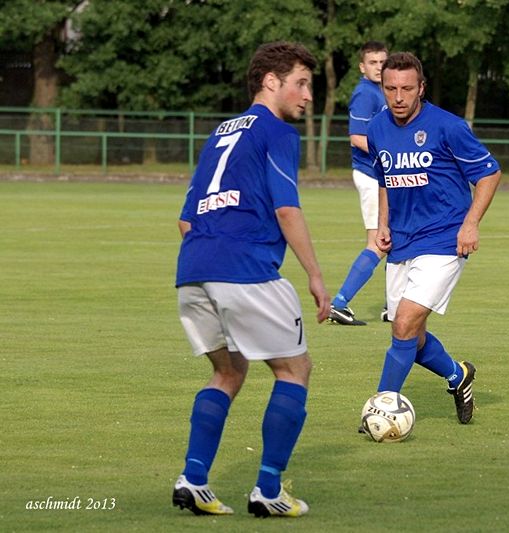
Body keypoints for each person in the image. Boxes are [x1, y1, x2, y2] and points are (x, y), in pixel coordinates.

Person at [172, 41, 330, 518]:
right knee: (294, 370)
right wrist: (316, 277)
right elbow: (286, 208)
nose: (307, 96)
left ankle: (194, 479)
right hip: (244, 269)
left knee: (228, 371)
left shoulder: (220, 132)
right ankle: (268, 489)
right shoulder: (277, 131)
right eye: (301, 83)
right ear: (270, 81)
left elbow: (184, 219)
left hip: (193, 268)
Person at [367, 52, 501, 425]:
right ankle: (458, 376)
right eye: (390, 88)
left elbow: (489, 174)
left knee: (405, 321)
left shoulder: (448, 126)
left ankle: (383, 405)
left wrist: (471, 223)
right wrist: (383, 223)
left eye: (407, 88)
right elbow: (385, 178)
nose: (398, 97)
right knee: (409, 332)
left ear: (421, 88)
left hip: (444, 238)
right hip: (402, 241)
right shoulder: (377, 128)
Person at [328, 41, 389, 326]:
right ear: (362, 67)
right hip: (370, 174)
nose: (378, 67)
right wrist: (390, 155)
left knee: (395, 238)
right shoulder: (365, 94)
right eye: (373, 62)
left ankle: (396, 306)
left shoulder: (382, 91)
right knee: (378, 242)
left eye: (382, 62)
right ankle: (340, 302)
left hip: (383, 177)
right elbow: (356, 138)